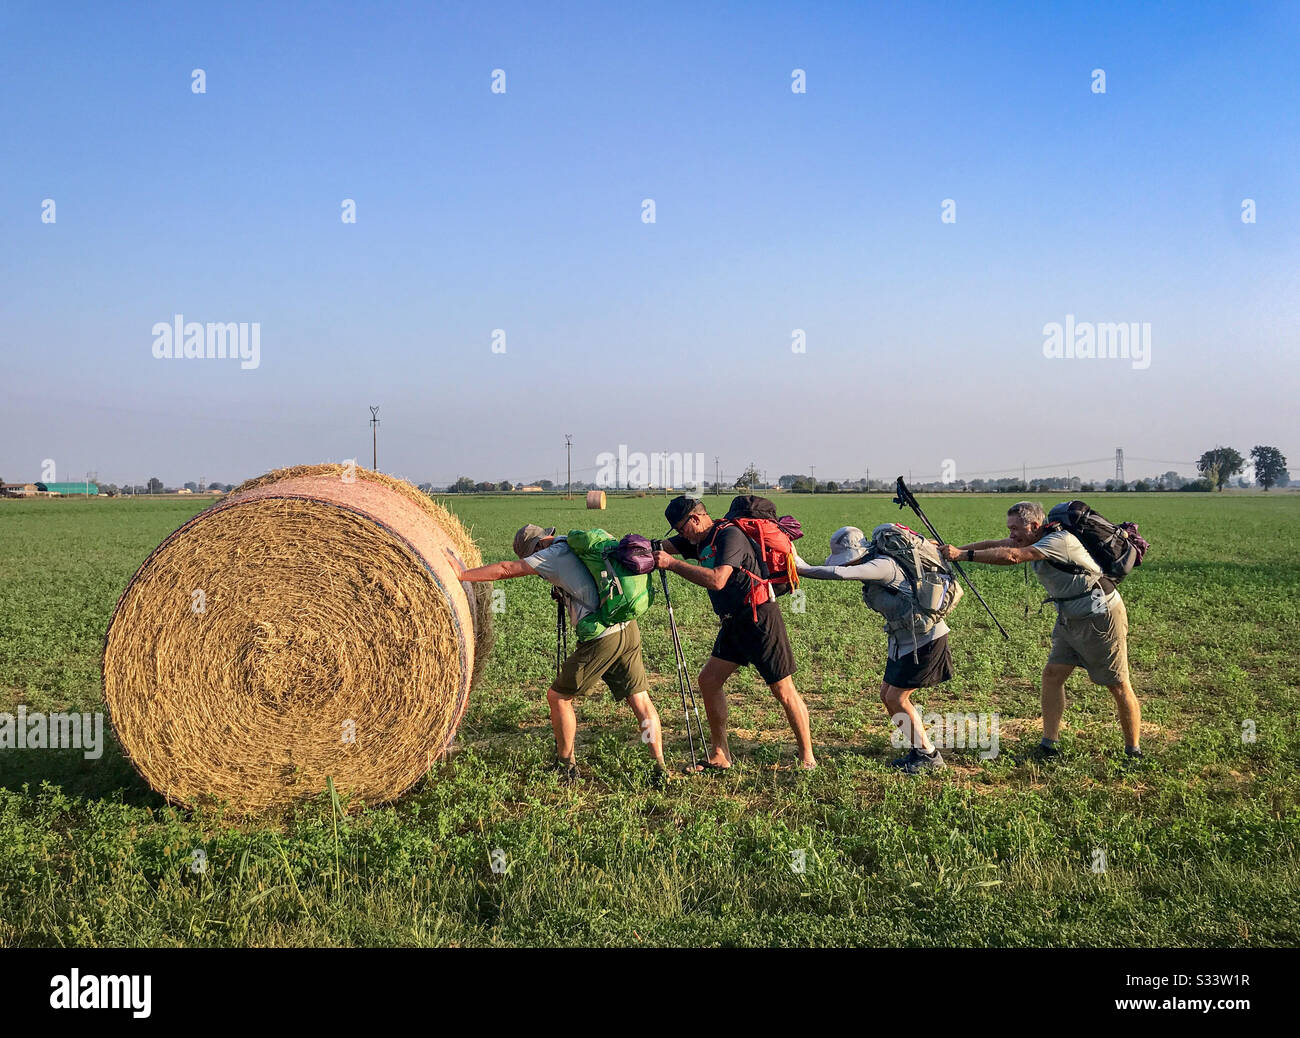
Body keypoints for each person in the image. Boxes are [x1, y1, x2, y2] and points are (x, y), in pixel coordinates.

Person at [450, 523, 668, 783]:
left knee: (558, 698)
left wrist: (462, 575)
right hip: (627, 627)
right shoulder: (577, 544)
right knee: (640, 700)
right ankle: (660, 767)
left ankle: (566, 766)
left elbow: (506, 569)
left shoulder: (549, 555)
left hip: (603, 637)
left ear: (535, 547)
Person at [939, 501, 1142, 759]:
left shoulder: (1058, 541)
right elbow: (997, 545)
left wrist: (962, 556)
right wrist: (953, 550)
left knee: (1118, 684)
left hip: (1100, 616)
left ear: (1034, 526)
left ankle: (1133, 751)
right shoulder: (1032, 538)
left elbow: (1012, 556)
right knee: (1052, 675)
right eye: (1009, 528)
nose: (1011, 534)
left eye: (1015, 529)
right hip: (1069, 617)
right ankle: (1049, 746)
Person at [652, 496, 816, 771]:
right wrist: (622, 547)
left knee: (783, 689)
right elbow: (657, 546)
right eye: (678, 533)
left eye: (682, 529)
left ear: (695, 519)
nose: (681, 536)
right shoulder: (696, 540)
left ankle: (808, 757)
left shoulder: (729, 535)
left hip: (759, 617)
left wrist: (672, 564)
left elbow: (718, 580)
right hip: (733, 622)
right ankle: (720, 754)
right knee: (708, 681)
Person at [796, 526, 953, 774]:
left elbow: (840, 574)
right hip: (904, 640)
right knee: (887, 694)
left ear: (861, 552)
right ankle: (918, 749)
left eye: (848, 559)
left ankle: (929, 756)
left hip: (926, 639)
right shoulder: (875, 564)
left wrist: (801, 568)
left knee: (896, 698)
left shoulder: (882, 565)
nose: (848, 565)